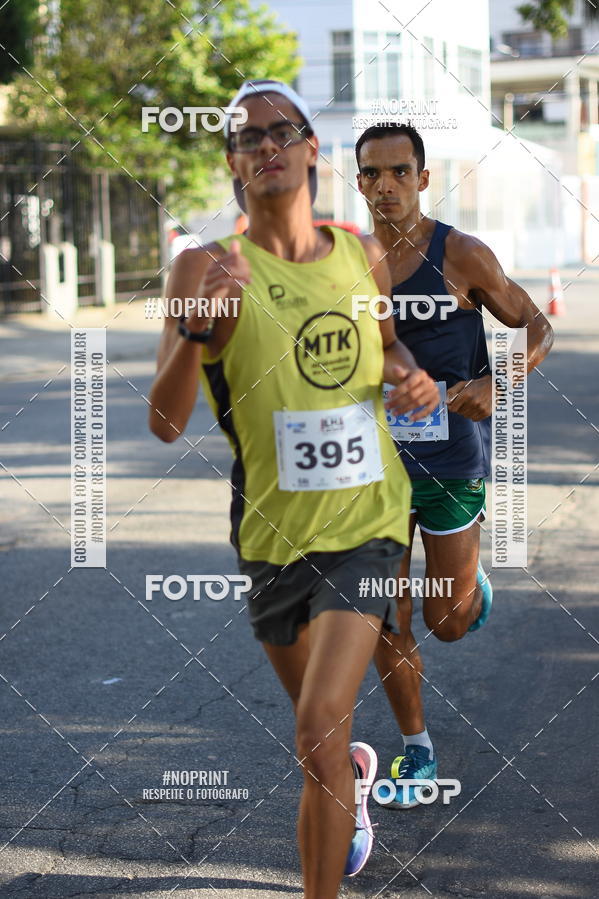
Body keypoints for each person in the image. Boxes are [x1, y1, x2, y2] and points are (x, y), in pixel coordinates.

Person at [149, 83, 439, 897]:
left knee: (315, 727)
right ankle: (348, 777)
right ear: (234, 166)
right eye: (248, 138)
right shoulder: (201, 267)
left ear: (314, 149)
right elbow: (164, 422)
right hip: (273, 535)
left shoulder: (361, 254)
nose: (266, 144)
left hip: (371, 520)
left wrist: (412, 380)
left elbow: (389, 352)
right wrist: (199, 331)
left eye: (284, 131)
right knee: (323, 732)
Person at [355, 122, 554, 807]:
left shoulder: (462, 254)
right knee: (386, 616)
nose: (386, 185)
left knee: (445, 621)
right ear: (359, 183)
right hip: (372, 467)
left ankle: (470, 593)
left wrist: (500, 382)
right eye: (373, 174)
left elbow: (536, 324)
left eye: (399, 172)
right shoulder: (342, 262)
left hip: (449, 460)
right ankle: (417, 749)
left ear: (423, 177)